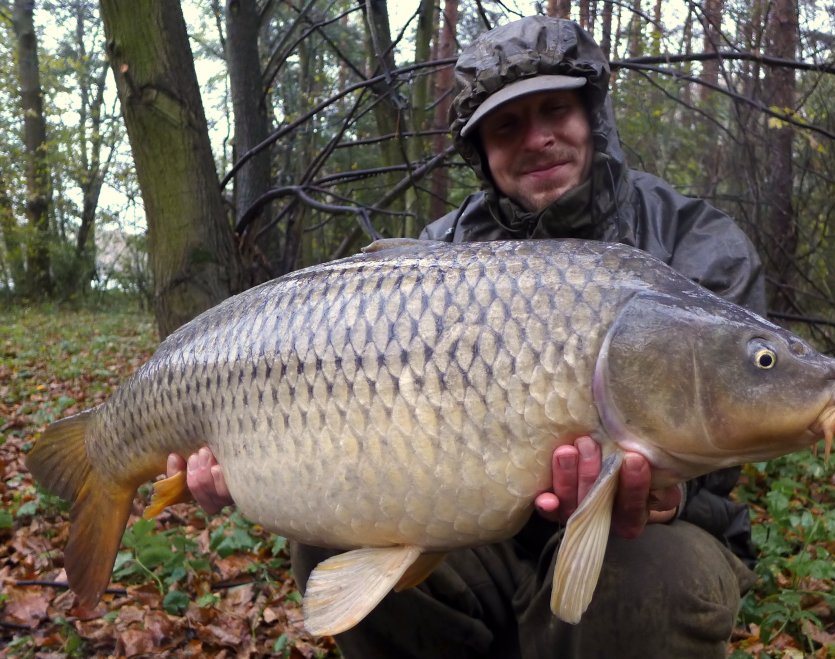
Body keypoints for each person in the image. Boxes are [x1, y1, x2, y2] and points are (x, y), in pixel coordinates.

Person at [169, 16, 765, 658]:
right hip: (480, 542)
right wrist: (244, 461)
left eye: (555, 110)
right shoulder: (436, 260)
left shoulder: (693, 244)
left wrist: (667, 497)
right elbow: (353, 419)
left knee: (651, 581)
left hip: (650, 540)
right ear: (481, 149)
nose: (537, 138)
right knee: (332, 534)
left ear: (592, 115)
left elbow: (727, 444)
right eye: (508, 125)